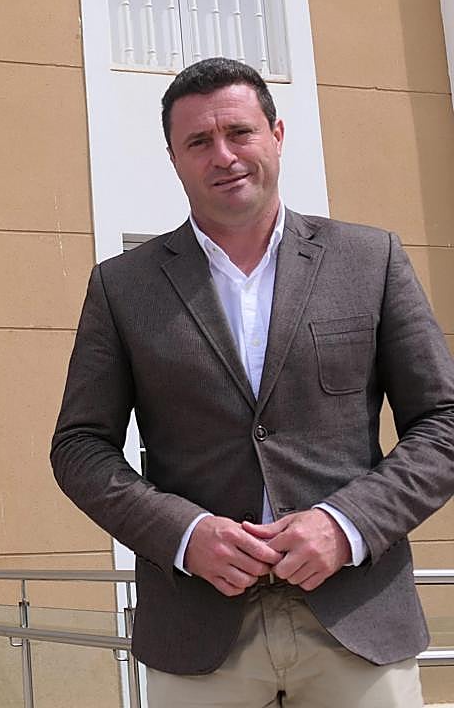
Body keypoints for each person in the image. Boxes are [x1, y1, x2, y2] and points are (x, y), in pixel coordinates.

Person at [50, 57, 454, 707]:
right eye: (199, 142)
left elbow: (444, 424)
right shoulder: (122, 287)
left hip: (358, 624)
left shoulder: (369, 260)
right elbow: (79, 447)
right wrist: (182, 534)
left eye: (239, 132)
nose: (224, 155)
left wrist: (344, 525)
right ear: (175, 159)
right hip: (198, 635)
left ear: (277, 135)